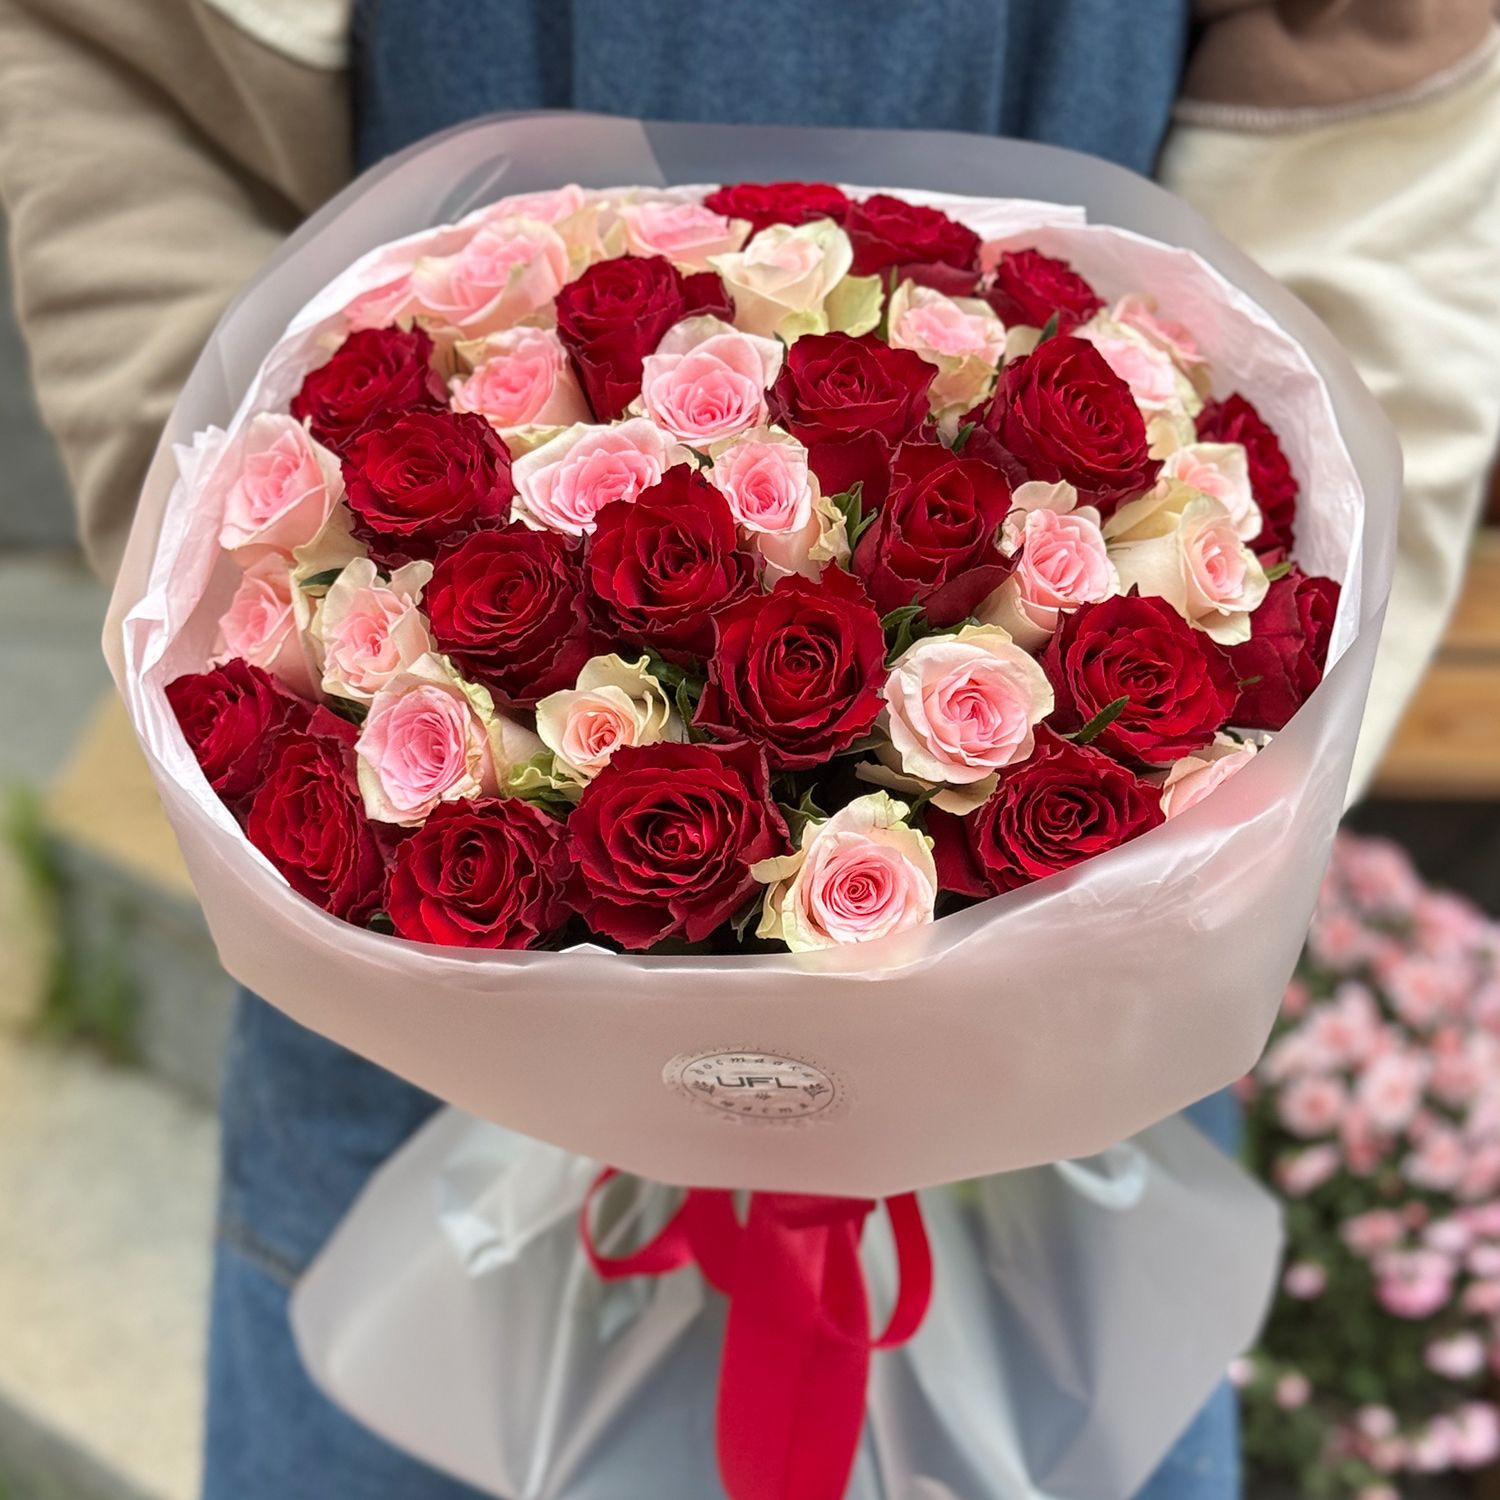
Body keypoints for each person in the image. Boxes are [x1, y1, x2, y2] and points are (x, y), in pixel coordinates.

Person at [1, 3, 1497, 1498]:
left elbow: (1388, 89)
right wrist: (214, 565)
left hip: (1054, 1027)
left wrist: (1208, 823)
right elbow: (122, 72)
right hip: (416, 1022)